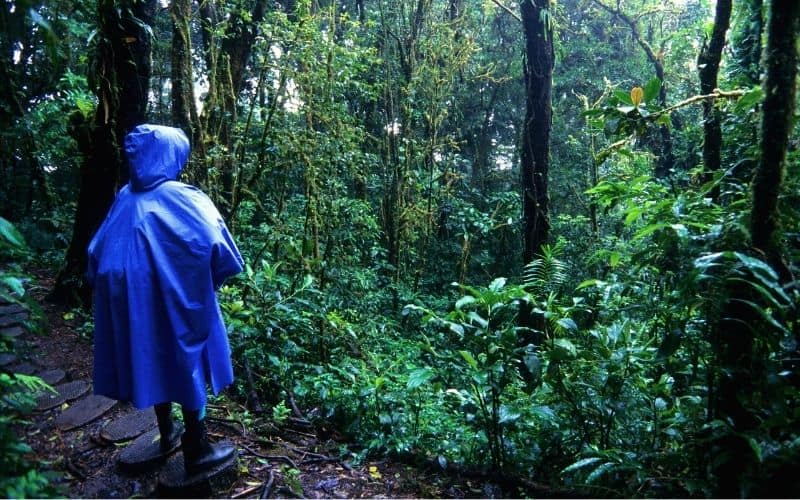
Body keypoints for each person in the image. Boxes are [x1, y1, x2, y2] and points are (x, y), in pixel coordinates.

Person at [87, 124, 243, 476]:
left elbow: (96, 252)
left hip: (134, 307)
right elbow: (220, 247)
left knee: (151, 359)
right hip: (179, 302)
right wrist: (201, 282)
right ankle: (197, 448)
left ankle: (167, 431)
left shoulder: (125, 198)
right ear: (172, 155)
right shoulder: (184, 197)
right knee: (186, 361)